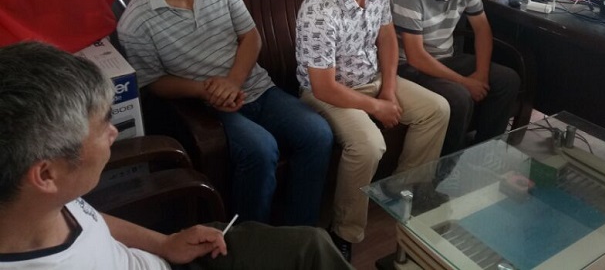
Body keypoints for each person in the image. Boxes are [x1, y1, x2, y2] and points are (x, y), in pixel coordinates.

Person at [0, 41, 350, 270]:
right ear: (46, 174)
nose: (114, 133)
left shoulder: (38, 200)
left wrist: (165, 244)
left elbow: (90, 219)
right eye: (101, 128)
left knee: (312, 246)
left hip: (170, 256)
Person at [117, 0, 333, 226]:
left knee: (318, 133)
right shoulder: (136, 21)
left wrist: (233, 81)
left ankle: (298, 232)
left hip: (258, 88)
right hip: (208, 109)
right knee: (261, 149)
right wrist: (205, 90)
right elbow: (153, 83)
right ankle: (248, 241)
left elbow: (251, 37)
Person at [295, 0, 450, 262]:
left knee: (437, 109)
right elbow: (324, 87)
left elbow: (387, 40)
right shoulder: (319, 10)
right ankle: (344, 230)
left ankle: (401, 192)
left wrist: (389, 90)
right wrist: (377, 108)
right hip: (329, 93)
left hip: (373, 79)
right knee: (368, 145)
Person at [392, 0, 520, 156]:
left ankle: (482, 154)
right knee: (460, 97)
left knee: (507, 79)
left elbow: (482, 30)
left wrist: (481, 74)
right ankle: (446, 167)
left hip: (447, 59)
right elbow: (416, 57)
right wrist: (464, 82)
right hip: (411, 68)